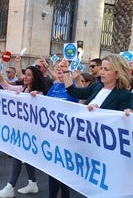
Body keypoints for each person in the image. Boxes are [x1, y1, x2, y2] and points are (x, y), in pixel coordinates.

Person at [0, 65, 45, 198]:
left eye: (29, 75)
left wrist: (36, 97)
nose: (25, 77)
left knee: (18, 155)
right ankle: (33, 183)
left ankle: (10, 187)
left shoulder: (38, 92)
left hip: (31, 132)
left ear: (34, 77)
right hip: (21, 130)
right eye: (25, 74)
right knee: (25, 158)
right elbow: (7, 87)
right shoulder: (22, 88)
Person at [46, 64, 79, 198]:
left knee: (63, 169)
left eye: (62, 70)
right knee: (53, 169)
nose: (59, 72)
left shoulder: (73, 89)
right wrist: (34, 96)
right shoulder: (54, 87)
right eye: (58, 70)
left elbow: (80, 105)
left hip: (67, 135)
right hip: (53, 134)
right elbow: (44, 103)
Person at [61, 54, 132, 111]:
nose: (102, 72)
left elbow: (121, 121)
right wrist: (65, 71)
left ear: (117, 74)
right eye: (101, 68)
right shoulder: (95, 87)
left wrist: (98, 111)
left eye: (106, 69)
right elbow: (72, 91)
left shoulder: (126, 96)